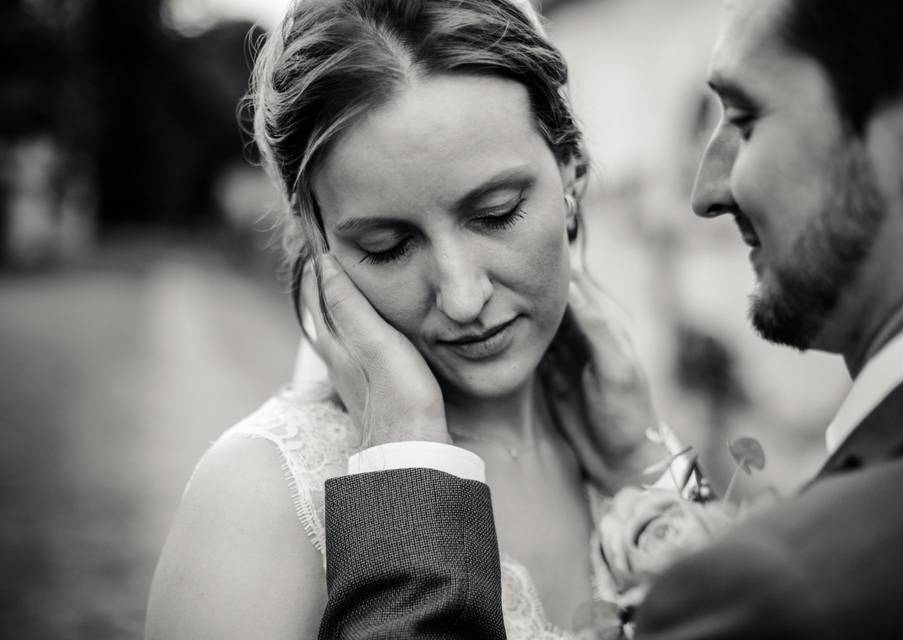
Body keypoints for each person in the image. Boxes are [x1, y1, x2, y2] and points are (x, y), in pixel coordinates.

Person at [314, 0, 903, 637]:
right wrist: (641, 463)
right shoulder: (268, 491)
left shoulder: (795, 578)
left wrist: (405, 481)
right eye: (386, 247)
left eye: (746, 118)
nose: (705, 191)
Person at [145, 1, 683, 638]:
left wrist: (649, 470)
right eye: (387, 247)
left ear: (572, 172)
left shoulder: (639, 444)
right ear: (319, 249)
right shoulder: (259, 501)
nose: (462, 297)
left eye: (496, 213)